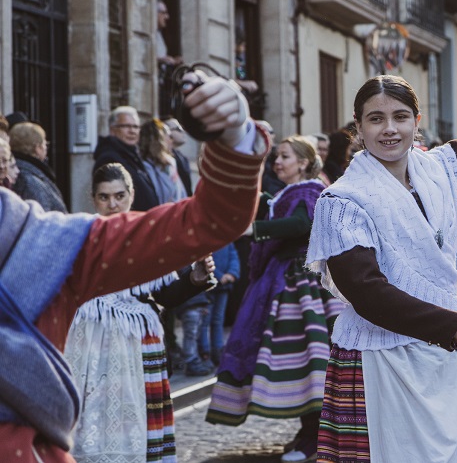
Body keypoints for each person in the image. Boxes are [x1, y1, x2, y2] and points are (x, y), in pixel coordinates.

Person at [0, 70, 270, 461]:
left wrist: (233, 136)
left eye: (6, 164)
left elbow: (207, 221)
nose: (9, 174)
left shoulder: (53, 246)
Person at [305, 24, 457, 462]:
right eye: (376, 118)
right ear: (358, 126)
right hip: (380, 357)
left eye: (400, 117)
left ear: (417, 122)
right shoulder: (340, 201)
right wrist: (456, 326)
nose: (389, 130)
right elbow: (367, 292)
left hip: (445, 350)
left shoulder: (440, 169)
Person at [65, 163, 216, 461]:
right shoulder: (79, 236)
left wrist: (196, 277)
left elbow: (165, 294)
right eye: (104, 197)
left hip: (139, 344)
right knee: (92, 418)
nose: (113, 204)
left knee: (140, 421)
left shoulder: (147, 236)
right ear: (93, 198)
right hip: (91, 349)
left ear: (131, 195)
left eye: (119, 195)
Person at [207, 136, 343, 463]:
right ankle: (311, 431)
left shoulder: (309, 190)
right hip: (287, 282)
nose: (277, 163)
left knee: (308, 360)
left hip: (302, 286)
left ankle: (315, 436)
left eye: (284, 157)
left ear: (304, 162)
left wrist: (252, 230)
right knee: (299, 361)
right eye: (276, 157)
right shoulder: (287, 194)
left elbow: (300, 224)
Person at [94, 106, 160, 211]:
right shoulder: (109, 158)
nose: (132, 131)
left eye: (136, 127)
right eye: (127, 126)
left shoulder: (132, 155)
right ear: (112, 130)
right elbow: (111, 205)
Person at [9, 122, 68, 213]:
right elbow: (42, 218)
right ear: (38, 148)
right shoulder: (28, 179)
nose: (46, 148)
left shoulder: (27, 172)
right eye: (45, 144)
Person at [198, 242, 239, 366]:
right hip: (208, 286)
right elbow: (203, 261)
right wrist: (219, 276)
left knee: (218, 319)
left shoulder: (227, 238)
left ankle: (218, 350)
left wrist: (232, 273)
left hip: (223, 287)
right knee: (204, 320)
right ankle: (205, 351)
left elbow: (233, 255)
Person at [139, 119, 187, 204]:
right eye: (169, 136)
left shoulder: (170, 162)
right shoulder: (143, 165)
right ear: (160, 139)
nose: (171, 140)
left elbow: (181, 194)